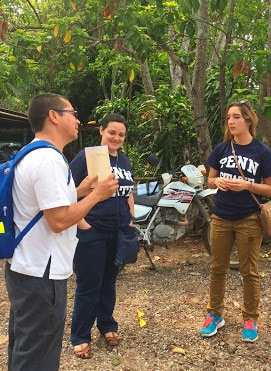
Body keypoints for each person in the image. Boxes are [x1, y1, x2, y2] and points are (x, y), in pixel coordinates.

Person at [5, 93, 118, 371]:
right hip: (42, 274)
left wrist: (79, 191)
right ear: (54, 116)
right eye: (72, 112)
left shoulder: (32, 153)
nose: (78, 119)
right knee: (38, 358)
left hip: (26, 268)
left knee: (25, 347)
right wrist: (97, 196)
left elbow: (43, 206)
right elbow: (58, 220)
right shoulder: (49, 160)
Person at [199, 100, 271, 342]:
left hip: (249, 219)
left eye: (236, 117)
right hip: (221, 217)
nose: (231, 122)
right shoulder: (222, 149)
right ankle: (214, 314)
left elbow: (270, 189)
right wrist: (218, 182)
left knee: (249, 271)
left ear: (248, 120)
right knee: (217, 268)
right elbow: (210, 180)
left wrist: (247, 185)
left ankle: (250, 319)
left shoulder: (262, 152)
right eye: (228, 117)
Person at [69, 113, 134, 359]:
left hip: (118, 232)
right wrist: (83, 224)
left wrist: (130, 219)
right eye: (112, 133)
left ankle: (107, 325)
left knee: (109, 282)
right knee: (88, 286)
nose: (116, 138)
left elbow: (128, 192)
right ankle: (80, 336)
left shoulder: (125, 161)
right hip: (92, 231)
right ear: (101, 132)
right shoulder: (87, 157)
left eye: (121, 135)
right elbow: (68, 192)